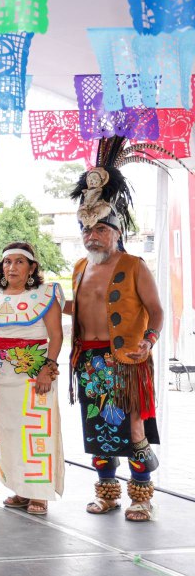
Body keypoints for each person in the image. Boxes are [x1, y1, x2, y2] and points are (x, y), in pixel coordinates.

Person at [69, 139, 164, 522]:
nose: (92, 235)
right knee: (97, 428)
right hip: (88, 360)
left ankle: (141, 497)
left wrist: (149, 341)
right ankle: (107, 494)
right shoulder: (79, 267)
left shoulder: (134, 265)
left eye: (100, 229)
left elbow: (156, 310)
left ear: (116, 230)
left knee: (133, 426)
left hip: (126, 357)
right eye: (86, 229)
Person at [0, 242, 65, 515]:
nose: (12, 267)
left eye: (20, 262)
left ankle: (38, 493)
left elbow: (56, 335)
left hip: (34, 373)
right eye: (7, 262)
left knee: (35, 432)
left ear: (32, 267)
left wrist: (47, 369)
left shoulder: (46, 294)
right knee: (7, 432)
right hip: (0, 375)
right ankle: (19, 489)